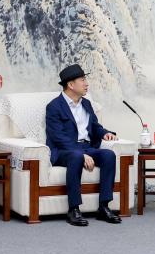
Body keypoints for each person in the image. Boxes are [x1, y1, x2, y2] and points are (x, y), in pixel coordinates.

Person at [44, 65, 122, 226]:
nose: (87, 84)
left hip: (86, 147)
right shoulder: (54, 107)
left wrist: (104, 133)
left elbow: (94, 126)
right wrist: (81, 154)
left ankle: (104, 206)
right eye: (83, 80)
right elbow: (58, 137)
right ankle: (74, 209)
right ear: (71, 85)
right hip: (64, 150)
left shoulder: (86, 103)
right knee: (76, 157)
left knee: (108, 155)